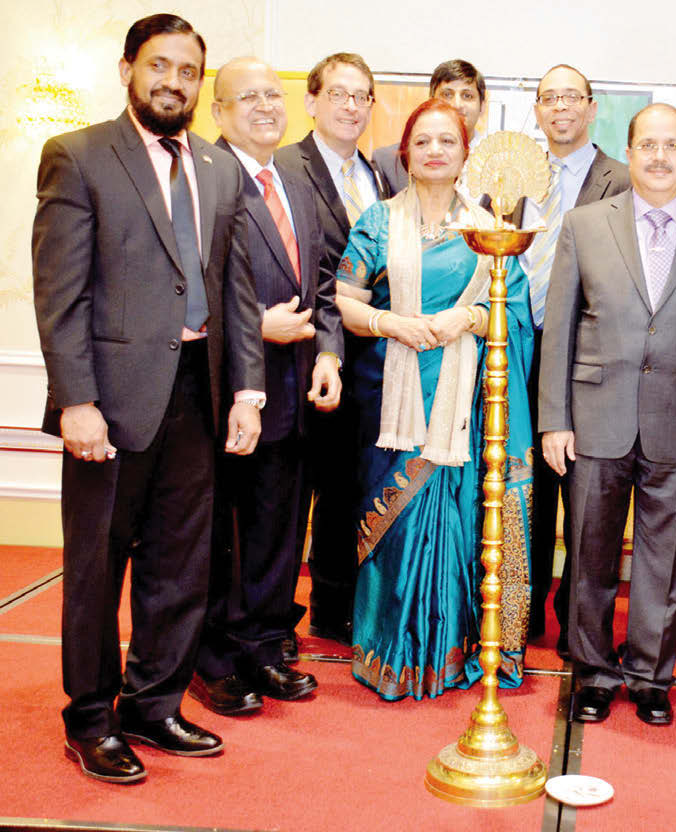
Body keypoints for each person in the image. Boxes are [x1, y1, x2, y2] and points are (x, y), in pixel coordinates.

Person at [32, 14, 264, 782]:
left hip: (200, 394)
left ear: (202, 81)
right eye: (158, 66)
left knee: (180, 564)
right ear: (128, 68)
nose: (173, 81)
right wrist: (76, 401)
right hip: (110, 403)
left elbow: (236, 289)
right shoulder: (80, 156)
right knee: (97, 568)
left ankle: (154, 704)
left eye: (188, 71)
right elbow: (60, 295)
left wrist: (247, 391)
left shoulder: (220, 168)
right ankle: (91, 718)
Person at [539, 103, 676, 726]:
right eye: (646, 145)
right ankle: (594, 673)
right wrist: (555, 418)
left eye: (671, 146)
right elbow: (561, 328)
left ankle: (651, 677)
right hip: (595, 416)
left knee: (668, 560)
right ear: (628, 153)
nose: (659, 157)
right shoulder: (583, 225)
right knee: (590, 554)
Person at [334, 98, 534, 700]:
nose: (436, 150)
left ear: (466, 152)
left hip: (464, 407)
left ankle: (452, 651)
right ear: (406, 152)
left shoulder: (488, 229)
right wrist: (391, 324)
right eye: (423, 141)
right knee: (395, 525)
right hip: (391, 403)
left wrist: (468, 316)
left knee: (461, 520)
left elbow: (516, 309)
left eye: (448, 140)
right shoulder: (376, 221)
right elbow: (344, 299)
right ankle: (392, 652)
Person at [191, 57, 342, 715]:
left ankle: (267, 645)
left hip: (296, 393)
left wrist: (327, 353)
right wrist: (258, 324)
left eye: (271, 94)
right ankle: (215, 658)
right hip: (225, 395)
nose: (264, 106)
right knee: (221, 537)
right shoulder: (204, 180)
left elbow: (329, 285)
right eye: (245, 97)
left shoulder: (299, 182)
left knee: (281, 530)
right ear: (218, 112)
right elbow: (185, 284)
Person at [278, 52, 390, 648]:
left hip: (366, 363)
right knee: (290, 499)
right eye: (339, 94)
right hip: (300, 360)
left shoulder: (378, 178)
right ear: (312, 101)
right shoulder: (284, 167)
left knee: (347, 487)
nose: (351, 106)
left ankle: (333, 607)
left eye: (361, 96)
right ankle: (268, 623)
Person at [522, 64, 629, 652]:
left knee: (587, 498)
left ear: (592, 109)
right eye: (548, 97)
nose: (560, 107)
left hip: (592, 361)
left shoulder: (623, 176)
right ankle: (525, 611)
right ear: (537, 110)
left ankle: (580, 625)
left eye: (572, 97)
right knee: (527, 490)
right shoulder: (517, 172)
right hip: (520, 352)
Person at [373, 59, 488, 197]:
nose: (457, 105)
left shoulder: (500, 165)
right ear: (431, 101)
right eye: (447, 94)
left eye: (467, 96)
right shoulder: (389, 162)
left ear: (482, 106)